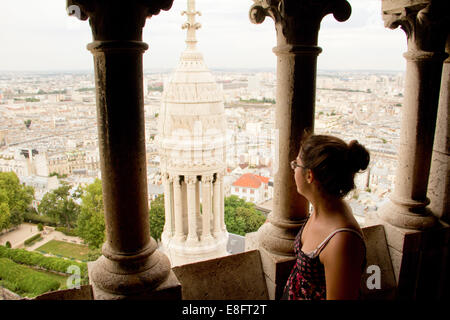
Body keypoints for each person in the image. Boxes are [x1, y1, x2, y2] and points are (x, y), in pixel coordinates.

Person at [282, 133, 370, 300]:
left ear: (309, 175)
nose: (293, 169)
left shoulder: (342, 240)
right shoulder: (324, 208)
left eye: (296, 164)